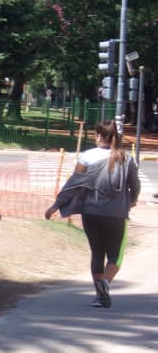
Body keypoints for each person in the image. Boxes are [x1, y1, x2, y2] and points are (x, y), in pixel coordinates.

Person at [45, 120, 140, 308]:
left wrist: (56, 204)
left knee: (97, 253)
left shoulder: (87, 157)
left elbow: (74, 183)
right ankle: (105, 282)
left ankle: (100, 296)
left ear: (98, 136)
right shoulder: (127, 158)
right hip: (116, 214)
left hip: (90, 212)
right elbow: (135, 185)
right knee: (115, 256)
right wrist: (132, 200)